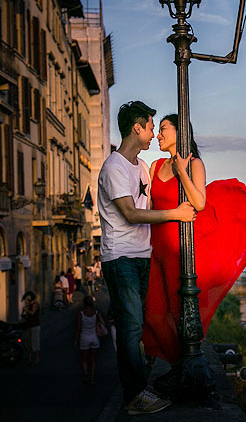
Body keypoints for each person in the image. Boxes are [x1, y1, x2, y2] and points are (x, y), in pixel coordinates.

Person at [142, 114, 246, 387]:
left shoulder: (195, 163)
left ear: (180, 132)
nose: (158, 134)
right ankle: (179, 365)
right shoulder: (155, 166)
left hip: (179, 251)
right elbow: (149, 207)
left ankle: (182, 370)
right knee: (152, 314)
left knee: (179, 313)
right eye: (157, 130)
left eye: (163, 129)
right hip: (155, 249)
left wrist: (182, 170)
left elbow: (200, 202)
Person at [97, 101, 196, 416]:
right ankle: (135, 395)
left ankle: (141, 388)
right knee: (130, 327)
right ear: (136, 128)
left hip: (142, 256)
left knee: (138, 326)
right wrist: (175, 214)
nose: (154, 133)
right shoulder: (114, 167)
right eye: (151, 127)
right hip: (121, 256)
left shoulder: (140, 167)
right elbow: (129, 213)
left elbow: (157, 196)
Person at [74, 295, 106, 384]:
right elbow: (103, 323)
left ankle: (85, 372)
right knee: (93, 360)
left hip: (84, 338)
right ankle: (92, 378)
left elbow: (78, 328)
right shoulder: (96, 312)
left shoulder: (81, 313)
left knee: (84, 359)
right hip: (94, 338)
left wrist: (76, 340)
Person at [20, 291, 40, 364]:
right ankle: (30, 358)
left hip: (34, 325)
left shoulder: (35, 304)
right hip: (28, 325)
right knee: (28, 343)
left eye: (27, 299)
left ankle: (37, 358)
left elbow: (32, 312)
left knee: (35, 342)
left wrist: (26, 310)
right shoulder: (27, 306)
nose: (26, 301)